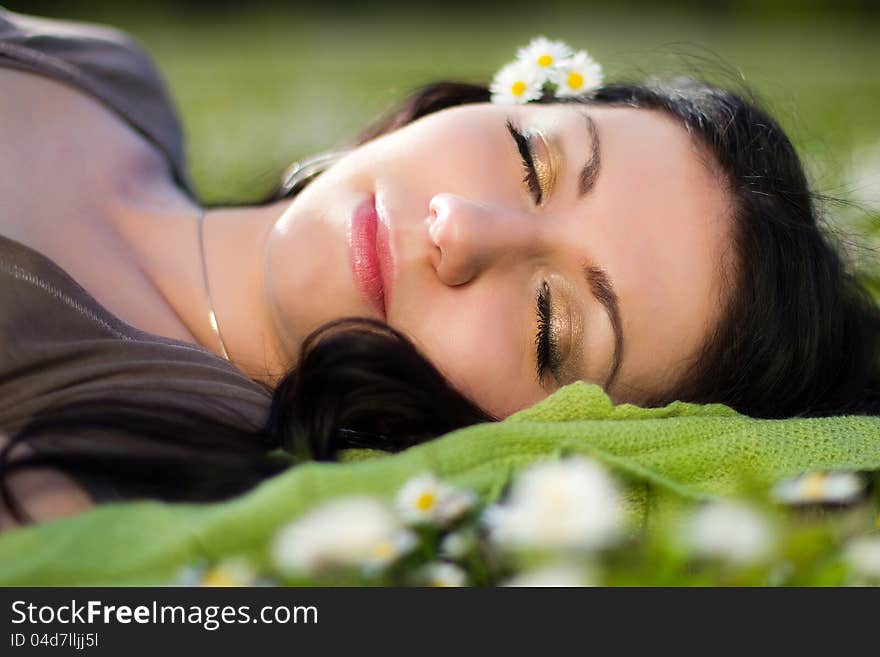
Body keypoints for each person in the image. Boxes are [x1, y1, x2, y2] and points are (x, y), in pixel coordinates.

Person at [0, 9, 877, 528]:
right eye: (532, 164)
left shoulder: (109, 469)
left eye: (548, 323)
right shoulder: (108, 73)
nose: (459, 230)